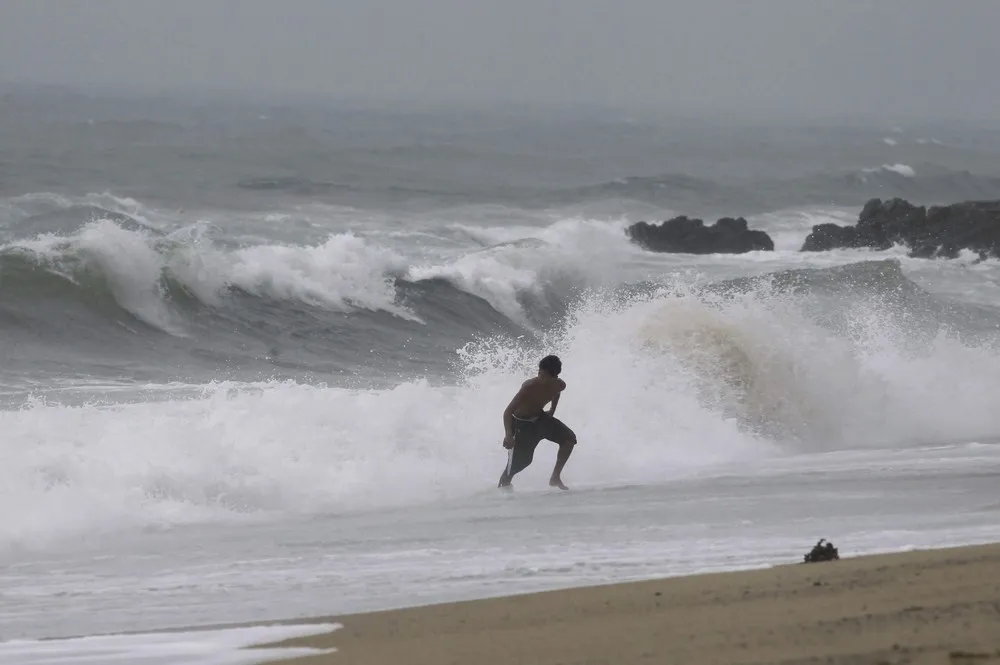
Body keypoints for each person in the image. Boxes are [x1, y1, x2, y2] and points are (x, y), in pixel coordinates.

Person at [498, 354, 577, 490]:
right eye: (539, 372)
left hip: (541, 419)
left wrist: (552, 409)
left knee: (569, 439)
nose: (540, 376)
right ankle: (503, 488)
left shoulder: (560, 385)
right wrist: (509, 435)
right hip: (522, 424)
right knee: (521, 462)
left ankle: (555, 477)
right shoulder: (529, 386)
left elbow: (556, 393)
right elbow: (507, 411)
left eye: (544, 375)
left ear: (554, 377)